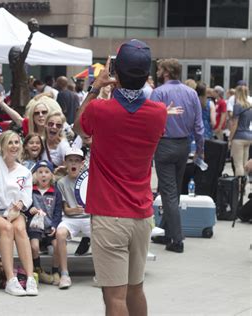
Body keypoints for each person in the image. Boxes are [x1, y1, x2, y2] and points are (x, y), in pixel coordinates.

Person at [74, 40, 168, 316]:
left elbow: (80, 126)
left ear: (115, 72)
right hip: (141, 214)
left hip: (108, 214)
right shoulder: (158, 113)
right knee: (135, 288)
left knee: (114, 297)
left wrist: (95, 87)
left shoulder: (100, 109)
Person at [151, 58, 204, 253]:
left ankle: (176, 238)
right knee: (173, 191)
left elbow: (149, 120)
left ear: (166, 72)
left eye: (159, 69)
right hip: (184, 145)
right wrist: (200, 149)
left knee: (169, 193)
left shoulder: (158, 93)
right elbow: (199, 126)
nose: (157, 72)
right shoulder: (191, 93)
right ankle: (166, 231)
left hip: (164, 145)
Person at [0, 130, 38, 296]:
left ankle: (30, 278)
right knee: (7, 228)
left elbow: (27, 197)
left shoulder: (24, 171)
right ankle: (11, 279)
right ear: (3, 145)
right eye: (10, 142)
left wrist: (19, 204)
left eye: (16, 142)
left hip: (14, 212)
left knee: (19, 228)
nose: (14, 146)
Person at [55, 148, 91, 288]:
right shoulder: (61, 183)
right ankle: (64, 273)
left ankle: (102, 272)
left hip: (89, 218)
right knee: (60, 233)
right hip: (71, 219)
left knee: (102, 233)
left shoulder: (88, 180)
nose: (73, 164)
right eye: (70, 161)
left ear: (82, 164)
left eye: (77, 161)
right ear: (65, 163)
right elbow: (66, 210)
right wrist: (74, 210)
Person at [27, 160, 62, 285]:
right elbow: (26, 206)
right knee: (34, 246)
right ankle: (38, 268)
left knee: (57, 245)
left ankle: (55, 271)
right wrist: (29, 210)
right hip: (35, 226)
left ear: (52, 175)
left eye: (47, 172)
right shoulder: (31, 190)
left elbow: (58, 212)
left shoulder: (55, 192)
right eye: (40, 172)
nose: (43, 175)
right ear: (35, 175)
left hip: (49, 226)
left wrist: (55, 225)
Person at [229, 85, 252, 189]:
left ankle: (238, 187)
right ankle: (244, 184)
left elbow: (235, 124)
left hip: (238, 137)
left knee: (238, 164)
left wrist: (230, 138)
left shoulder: (237, 106)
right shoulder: (250, 106)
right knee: (244, 164)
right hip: (248, 136)